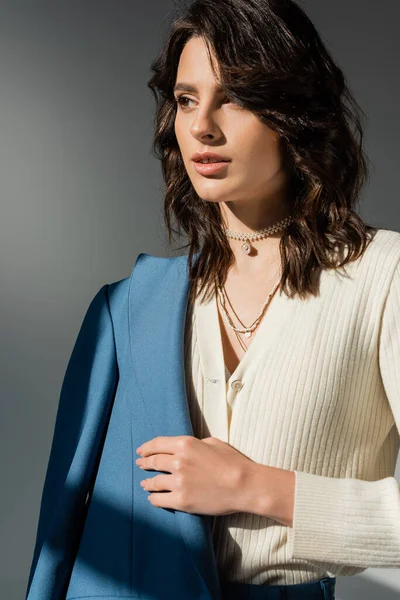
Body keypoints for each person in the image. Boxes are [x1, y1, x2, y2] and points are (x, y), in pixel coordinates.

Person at [25, 1, 400, 599]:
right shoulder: (133, 310)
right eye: (186, 99)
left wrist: (256, 488)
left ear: (293, 111)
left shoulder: (384, 277)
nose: (203, 125)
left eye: (236, 97)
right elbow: (63, 530)